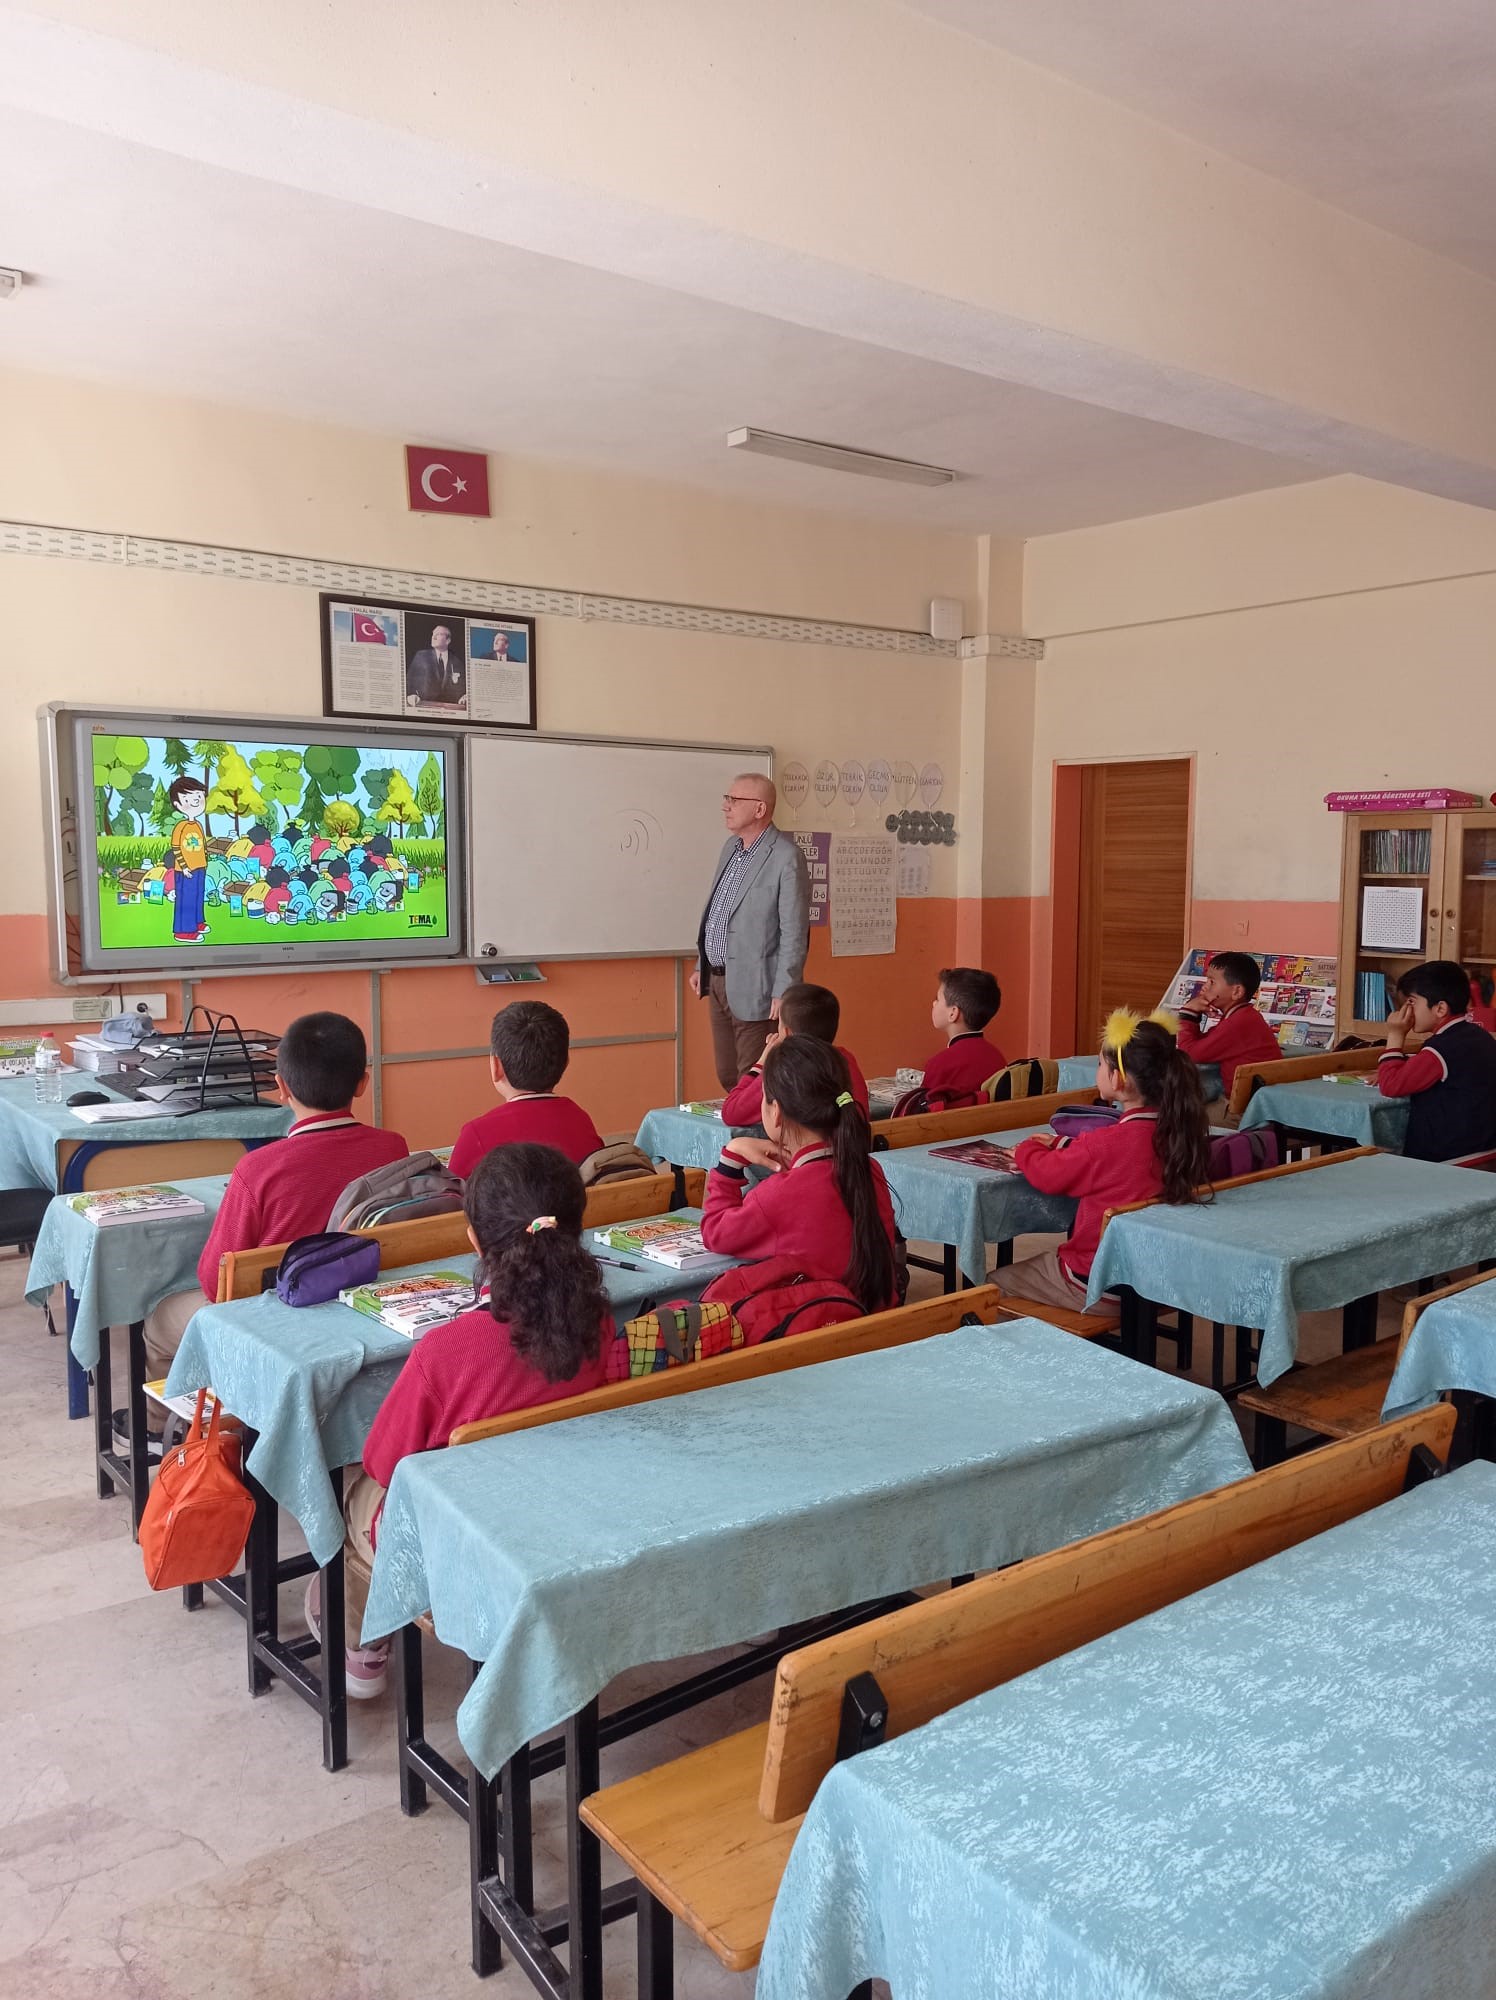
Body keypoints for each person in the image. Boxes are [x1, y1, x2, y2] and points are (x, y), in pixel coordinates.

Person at [322, 1143, 612, 1698]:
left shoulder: (445, 1351)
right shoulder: (596, 1320)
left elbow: (385, 1464)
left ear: (473, 1238)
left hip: (465, 1542)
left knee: (350, 1483)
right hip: (560, 1514)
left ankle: (363, 1641)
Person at [136, 1014, 408, 1404]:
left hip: (274, 1319)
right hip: (358, 1303)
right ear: (363, 1083)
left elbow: (217, 1285)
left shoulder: (257, 1168)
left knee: (161, 1318)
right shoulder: (392, 1147)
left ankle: (177, 1431)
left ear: (280, 1086)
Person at [991, 1010, 1210, 1320]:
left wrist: (1026, 1148)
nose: (1097, 1070)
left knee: (990, 1287)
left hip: (1097, 1283)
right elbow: (1114, 1155)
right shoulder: (1182, 1130)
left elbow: (1049, 1175)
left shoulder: (1108, 1144)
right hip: (1161, 1278)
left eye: (1099, 1065)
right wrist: (1062, 1143)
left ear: (1118, 1079)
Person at [701, 1037, 898, 1310]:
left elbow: (715, 1233)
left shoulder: (780, 1194)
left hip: (817, 1338)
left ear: (776, 1112)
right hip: (876, 1327)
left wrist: (729, 1160)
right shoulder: (870, 1169)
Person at [692, 774, 811, 1092]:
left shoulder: (786, 856)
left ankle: (757, 1140)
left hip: (758, 985)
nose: (725, 806)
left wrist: (783, 989)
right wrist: (700, 964)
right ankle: (741, 1137)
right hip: (718, 979)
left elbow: (794, 932)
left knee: (754, 1077)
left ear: (759, 809)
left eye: (734, 800)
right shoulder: (731, 848)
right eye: (726, 798)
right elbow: (719, 911)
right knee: (727, 1073)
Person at [448, 1001, 604, 1177]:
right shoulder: (579, 1119)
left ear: (496, 1067)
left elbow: (452, 1200)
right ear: (566, 1062)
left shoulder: (476, 1134)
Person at [1377, 959, 1496, 1161]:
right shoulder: (1480, 1035)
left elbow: (1391, 1085)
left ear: (1440, 1009)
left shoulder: (1439, 1049)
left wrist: (1395, 1035)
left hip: (1449, 1157)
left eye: (1411, 1002)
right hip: (1486, 1151)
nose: (1405, 1010)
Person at [719, 981, 869, 1126]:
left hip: (805, 1150)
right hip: (851, 1148)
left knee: (738, 1147)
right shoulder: (845, 1058)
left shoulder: (786, 1068)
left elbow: (731, 1112)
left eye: (779, 1024)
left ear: (787, 1033)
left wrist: (763, 1060)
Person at [1175, 950, 1281, 1095]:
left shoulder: (1238, 1023)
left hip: (1239, 1110)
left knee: (1181, 1111)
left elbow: (1189, 1055)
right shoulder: (1243, 1016)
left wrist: (1188, 1013)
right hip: (1251, 1100)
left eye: (1212, 982)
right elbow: (1203, 1044)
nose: (1204, 987)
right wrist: (1193, 1016)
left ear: (1237, 992)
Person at [920, 967, 1007, 1110]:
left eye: (938, 999)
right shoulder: (996, 1057)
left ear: (953, 1013)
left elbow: (923, 1116)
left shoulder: (940, 1064)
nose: (934, 1003)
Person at [167, 774, 210, 943]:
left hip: (200, 867)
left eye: (199, 796)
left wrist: (205, 860)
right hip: (185, 870)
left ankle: (198, 922)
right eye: (188, 797)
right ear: (177, 804)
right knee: (187, 899)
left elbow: (202, 846)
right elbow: (176, 848)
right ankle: (184, 931)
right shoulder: (180, 827)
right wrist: (184, 867)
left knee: (199, 895)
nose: (195, 801)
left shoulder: (197, 824)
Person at [406, 622, 466, 707]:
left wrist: (463, 696)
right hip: (422, 706)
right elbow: (409, 680)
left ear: (448, 640)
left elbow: (462, 689)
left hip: (449, 710)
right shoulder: (421, 656)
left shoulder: (457, 662)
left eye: (438, 634)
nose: (433, 637)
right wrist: (410, 695)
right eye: (433, 634)